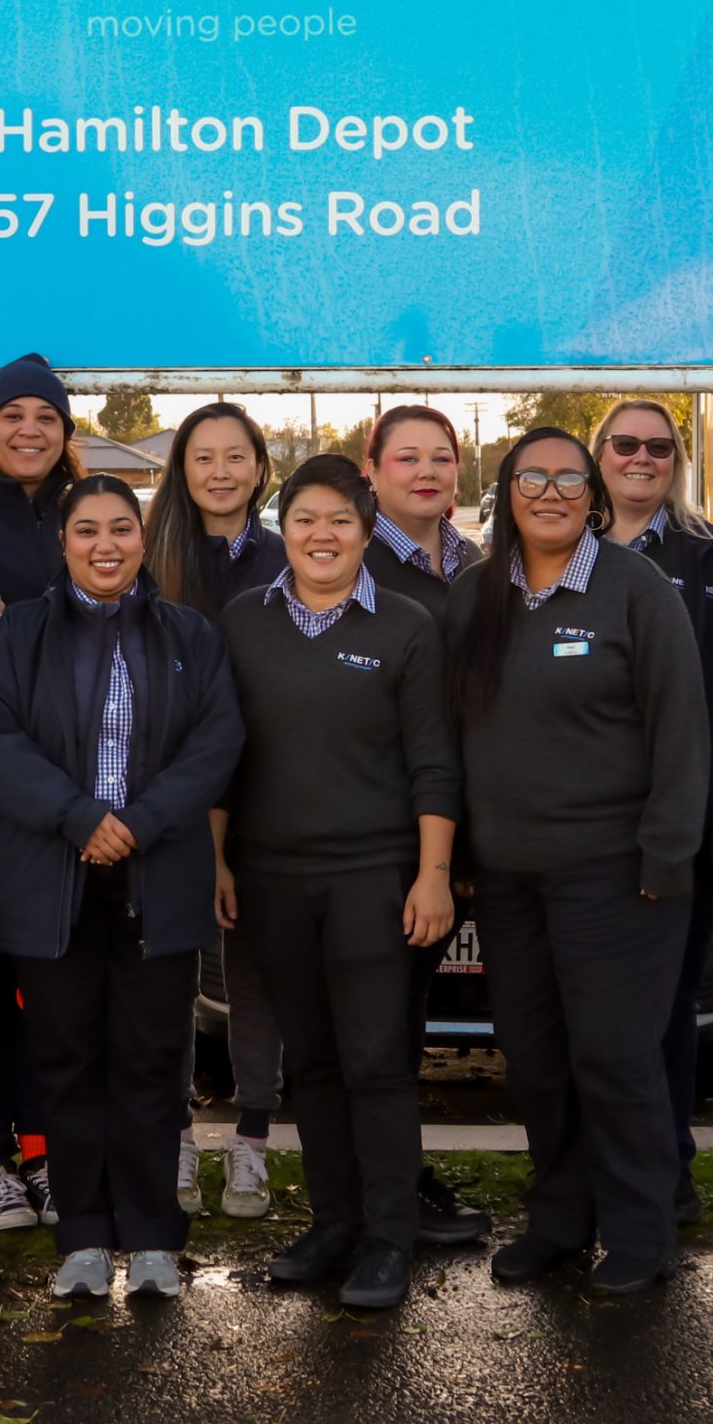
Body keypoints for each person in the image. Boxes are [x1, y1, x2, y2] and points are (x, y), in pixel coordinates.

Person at [0, 476, 245, 1301]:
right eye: (86, 530)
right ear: (63, 542)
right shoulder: (18, 634)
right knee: (68, 1065)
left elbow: (216, 741)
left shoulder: (190, 634)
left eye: (121, 528)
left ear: (141, 538)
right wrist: (80, 816)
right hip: (51, 880)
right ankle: (85, 1236)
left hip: (159, 876)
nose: (105, 545)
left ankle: (154, 1235)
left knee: (154, 1063)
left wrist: (143, 821)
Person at [446, 428, 708, 1294]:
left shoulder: (638, 591)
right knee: (535, 1056)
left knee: (616, 1056)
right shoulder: (475, 597)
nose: (550, 492)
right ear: (507, 492)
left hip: (616, 874)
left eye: (568, 478)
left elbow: (680, 733)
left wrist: (667, 857)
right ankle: (561, 1218)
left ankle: (640, 1227)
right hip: (511, 878)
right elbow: (451, 733)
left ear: (593, 496)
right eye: (532, 477)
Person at [218, 454, 461, 1312]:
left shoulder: (403, 627)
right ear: (285, 529)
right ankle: (334, 1222)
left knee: (375, 1061)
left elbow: (435, 760)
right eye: (307, 519)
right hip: (272, 877)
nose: (323, 536)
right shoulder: (244, 620)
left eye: (341, 522)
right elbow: (223, 754)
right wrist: (217, 858)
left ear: (366, 533)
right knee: (310, 1064)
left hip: (372, 875)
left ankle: (391, 1236)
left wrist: (434, 877)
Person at [589, 399, 713, 1223]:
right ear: (599, 454)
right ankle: (592, 1170)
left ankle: (668, 1170)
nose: (641, 458)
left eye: (658, 445)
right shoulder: (554, 549)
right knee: (593, 1009)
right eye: (624, 444)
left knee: (670, 1004)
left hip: (683, 827)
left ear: (675, 460)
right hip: (582, 829)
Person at [0, 354, 85, 1234]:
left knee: (52, 983)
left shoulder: (90, 515)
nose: (30, 428)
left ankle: (45, 1154)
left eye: (46, 415)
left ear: (67, 432)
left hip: (74, 784)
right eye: (13, 415)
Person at [145, 403, 285, 1221]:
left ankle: (253, 1143)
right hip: (172, 802)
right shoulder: (150, 556)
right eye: (205, 457)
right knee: (168, 979)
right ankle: (176, 1143)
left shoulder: (285, 553)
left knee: (256, 977)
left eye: (238, 457)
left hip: (270, 796)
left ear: (261, 468)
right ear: (183, 468)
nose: (222, 471)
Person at [362, 406, 488, 1246]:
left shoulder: (480, 565)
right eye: (405, 457)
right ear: (371, 468)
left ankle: (404, 1184)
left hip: (469, 829)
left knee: (414, 1028)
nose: (425, 471)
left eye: (441, 457)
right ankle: (388, 1200)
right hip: (382, 837)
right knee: (385, 1032)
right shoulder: (348, 561)